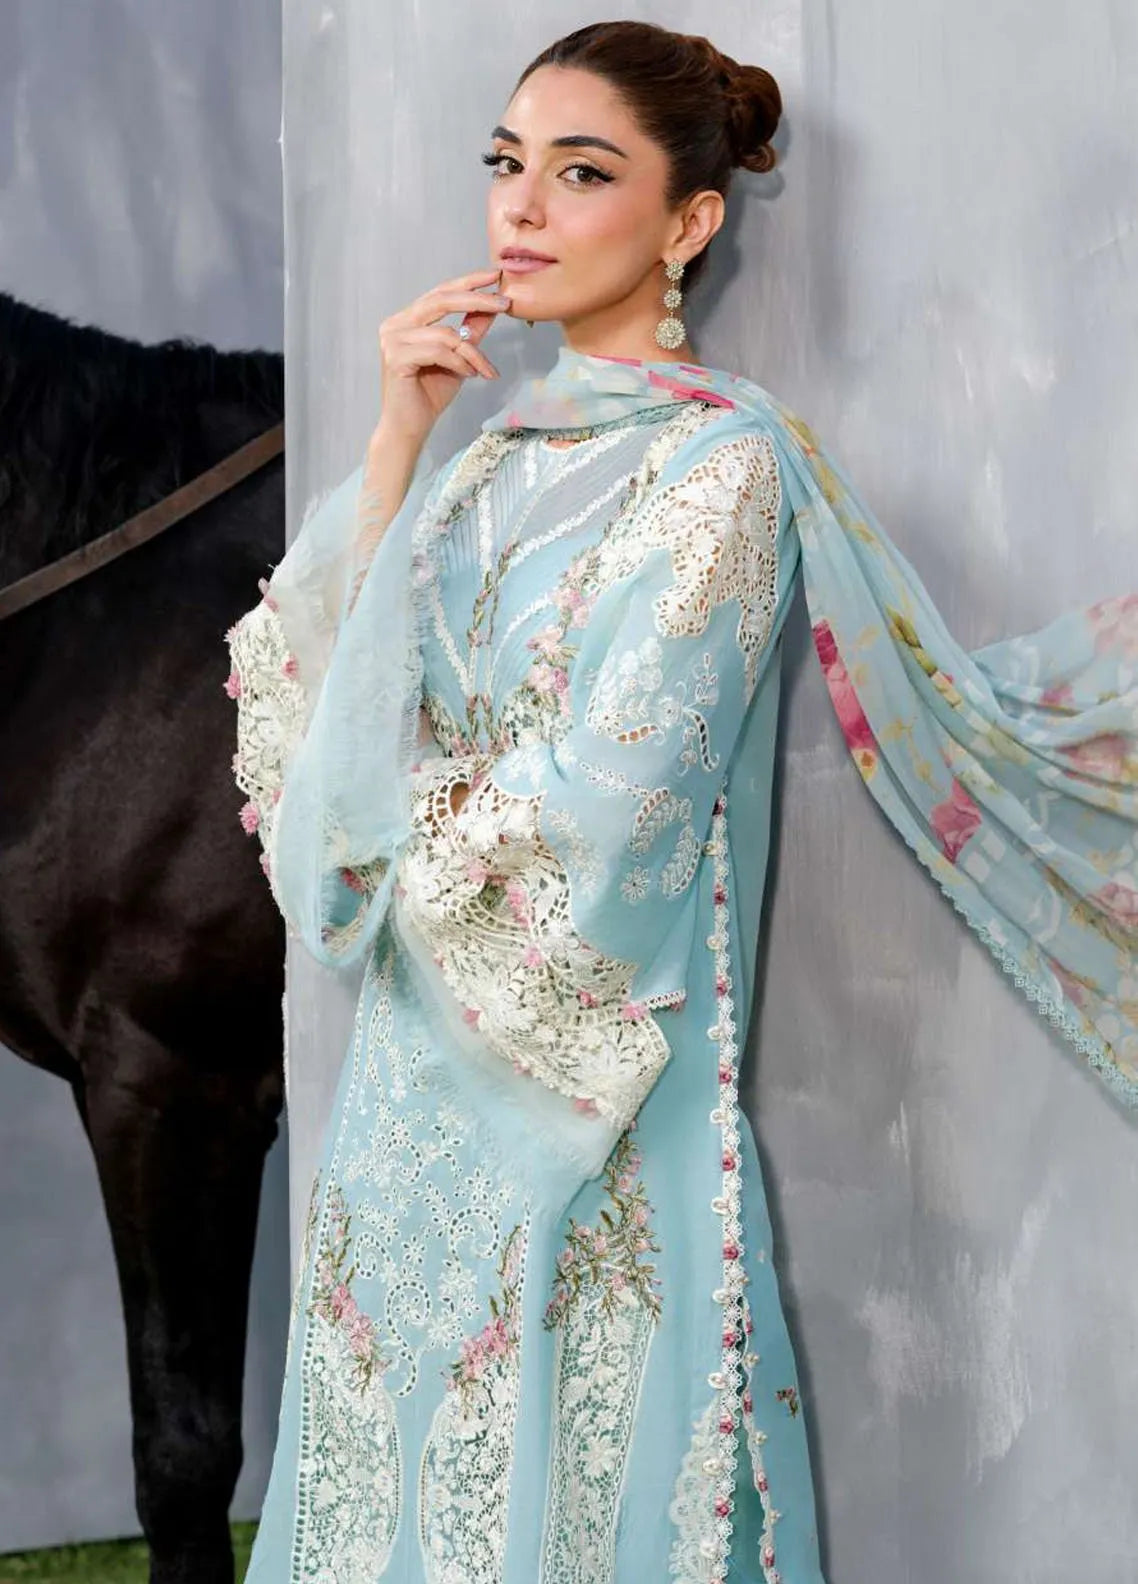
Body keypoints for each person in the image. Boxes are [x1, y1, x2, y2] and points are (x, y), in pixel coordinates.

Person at [226, 20, 1136, 1582]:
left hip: (581, 1092)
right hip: (408, 1104)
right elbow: (307, 706)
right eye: (506, 163)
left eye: (581, 173)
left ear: (689, 220)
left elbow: (611, 813)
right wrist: (393, 436)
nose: (522, 206)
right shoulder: (475, 461)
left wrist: (389, 814)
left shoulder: (722, 471)